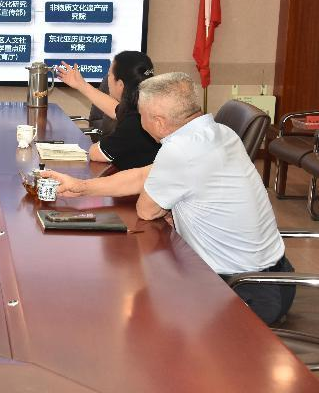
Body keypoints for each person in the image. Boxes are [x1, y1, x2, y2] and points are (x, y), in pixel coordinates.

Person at [42, 72, 294, 325]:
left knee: (122, 298)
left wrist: (168, 208)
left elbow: (146, 210)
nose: (139, 122)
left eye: (141, 115)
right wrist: (81, 187)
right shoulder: (220, 133)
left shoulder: (180, 150)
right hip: (277, 279)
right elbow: (145, 175)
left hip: (239, 292)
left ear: (159, 122)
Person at [57, 51, 160, 169]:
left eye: (109, 75)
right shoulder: (144, 108)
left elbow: (96, 154)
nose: (108, 79)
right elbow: (114, 108)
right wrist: (81, 85)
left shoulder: (134, 122)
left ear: (120, 84)